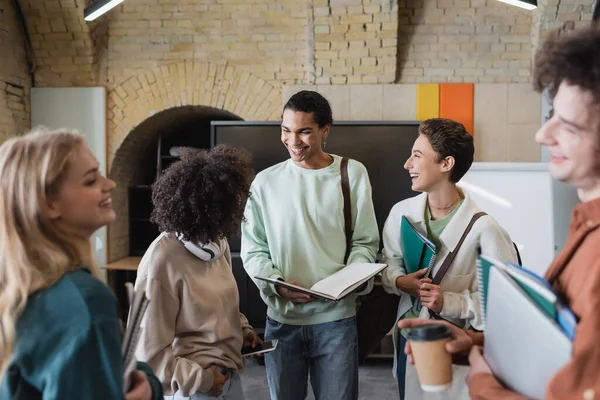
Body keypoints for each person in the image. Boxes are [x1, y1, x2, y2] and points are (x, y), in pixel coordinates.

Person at [399, 26, 600, 400]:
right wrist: (476, 344)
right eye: (552, 114)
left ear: (446, 163)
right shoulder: (585, 228)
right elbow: (557, 350)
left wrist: (482, 380)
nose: (543, 135)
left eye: (568, 124)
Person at [0, 128, 162, 400]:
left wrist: (148, 384)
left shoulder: (17, 290)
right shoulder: (85, 300)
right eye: (90, 180)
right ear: (49, 203)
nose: (109, 184)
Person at [240, 90, 379, 400]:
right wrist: (277, 284)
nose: (293, 140)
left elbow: (365, 242)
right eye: (286, 130)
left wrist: (347, 281)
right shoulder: (264, 182)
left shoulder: (351, 174)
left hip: (336, 321)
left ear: (325, 129)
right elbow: (253, 249)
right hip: (281, 320)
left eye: (304, 131)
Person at [380, 118, 518, 399]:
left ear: (446, 164)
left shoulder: (485, 230)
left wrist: (449, 302)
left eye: (417, 156)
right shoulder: (401, 214)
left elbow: (505, 309)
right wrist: (399, 281)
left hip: (455, 351)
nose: (408, 164)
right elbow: (388, 264)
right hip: (408, 343)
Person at [134, 146, 260, 400]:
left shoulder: (217, 242)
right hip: (195, 389)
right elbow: (148, 355)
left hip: (230, 376)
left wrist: (243, 330)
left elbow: (222, 305)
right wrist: (202, 380)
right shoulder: (161, 261)